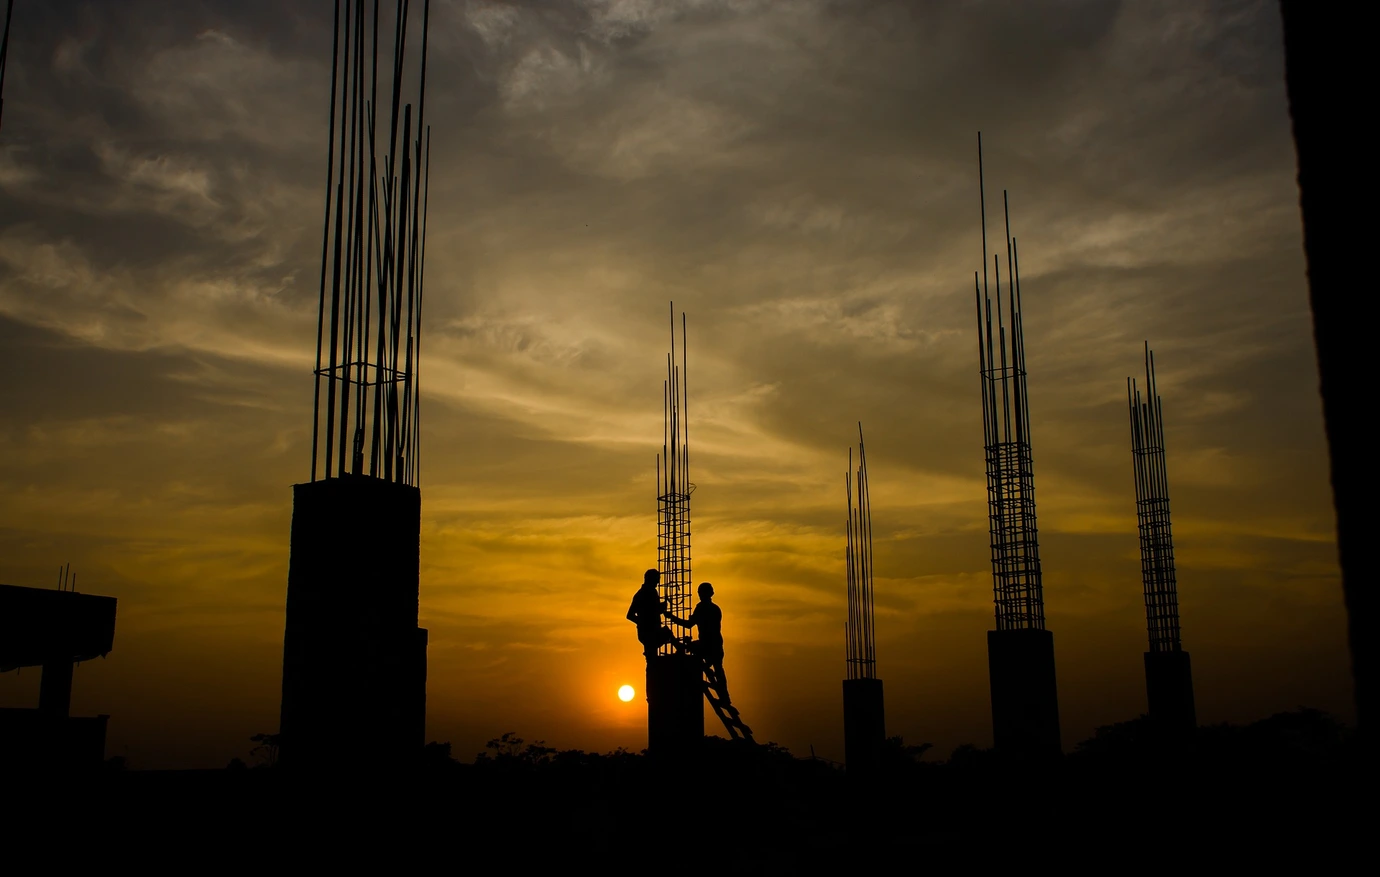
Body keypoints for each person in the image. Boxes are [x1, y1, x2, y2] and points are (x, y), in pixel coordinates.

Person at [666, 582, 730, 705]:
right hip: (716, 644)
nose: (700, 595)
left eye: (701, 593)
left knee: (687, 648)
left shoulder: (701, 608)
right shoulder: (716, 608)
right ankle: (725, 697)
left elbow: (689, 625)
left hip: (706, 645)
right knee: (719, 670)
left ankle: (702, 673)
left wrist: (671, 617)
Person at [627, 568, 675, 659]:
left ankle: (679, 648)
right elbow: (630, 615)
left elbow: (653, 610)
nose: (657, 583)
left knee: (653, 657)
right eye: (656, 580)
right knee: (666, 633)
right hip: (648, 633)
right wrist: (644, 623)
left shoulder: (650, 593)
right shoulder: (643, 594)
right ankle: (680, 648)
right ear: (651, 580)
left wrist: (660, 608)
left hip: (650, 632)